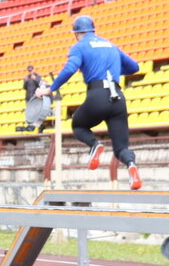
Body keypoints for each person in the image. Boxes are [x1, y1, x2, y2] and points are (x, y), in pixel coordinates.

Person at [35, 15, 144, 190]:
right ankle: (132, 165)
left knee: (78, 125)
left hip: (98, 95)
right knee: (121, 148)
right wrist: (112, 70)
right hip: (118, 99)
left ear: (77, 33)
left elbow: (70, 68)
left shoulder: (80, 46)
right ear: (93, 30)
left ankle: (95, 145)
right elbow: (134, 67)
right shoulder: (110, 45)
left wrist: (50, 89)